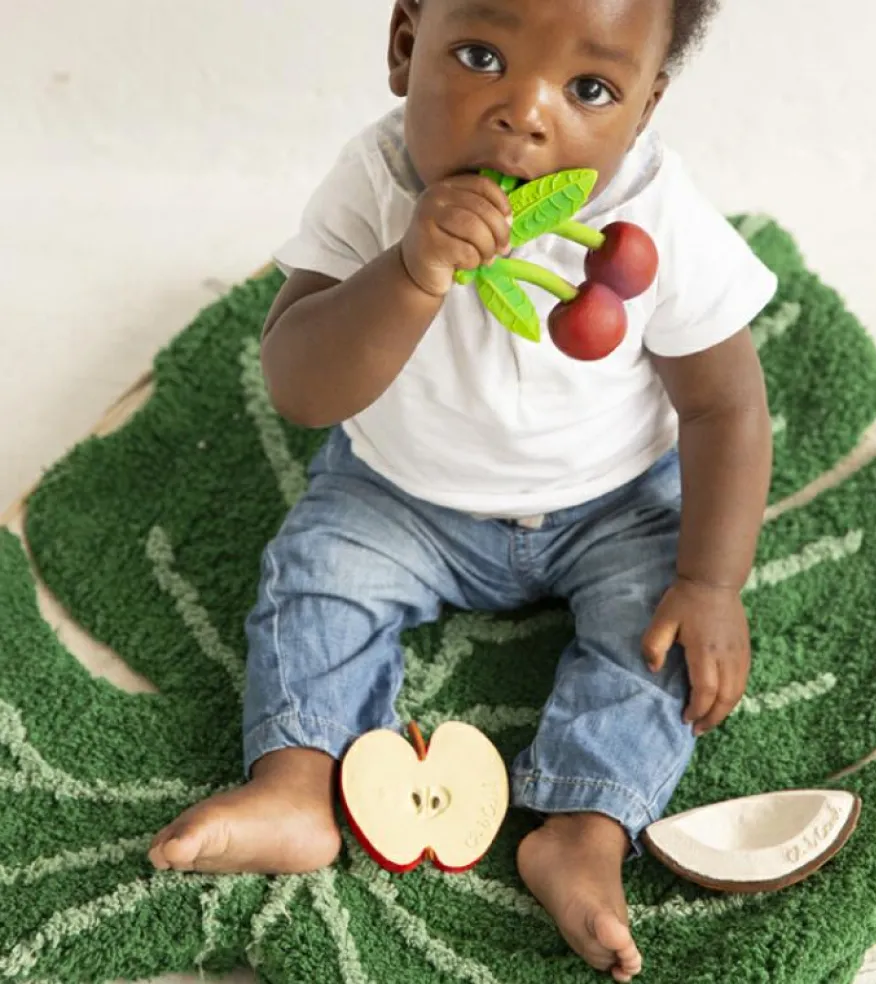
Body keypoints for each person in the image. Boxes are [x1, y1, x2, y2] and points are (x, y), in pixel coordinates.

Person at [150, 1, 777, 979]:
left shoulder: (651, 217)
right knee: (315, 576)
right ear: (405, 46)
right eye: (481, 56)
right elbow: (299, 385)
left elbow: (726, 407)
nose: (525, 114)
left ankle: (584, 826)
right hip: (401, 494)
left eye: (590, 89)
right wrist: (410, 269)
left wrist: (711, 580)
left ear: (646, 107)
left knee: (656, 637)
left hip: (607, 503)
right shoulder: (376, 181)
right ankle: (298, 781)